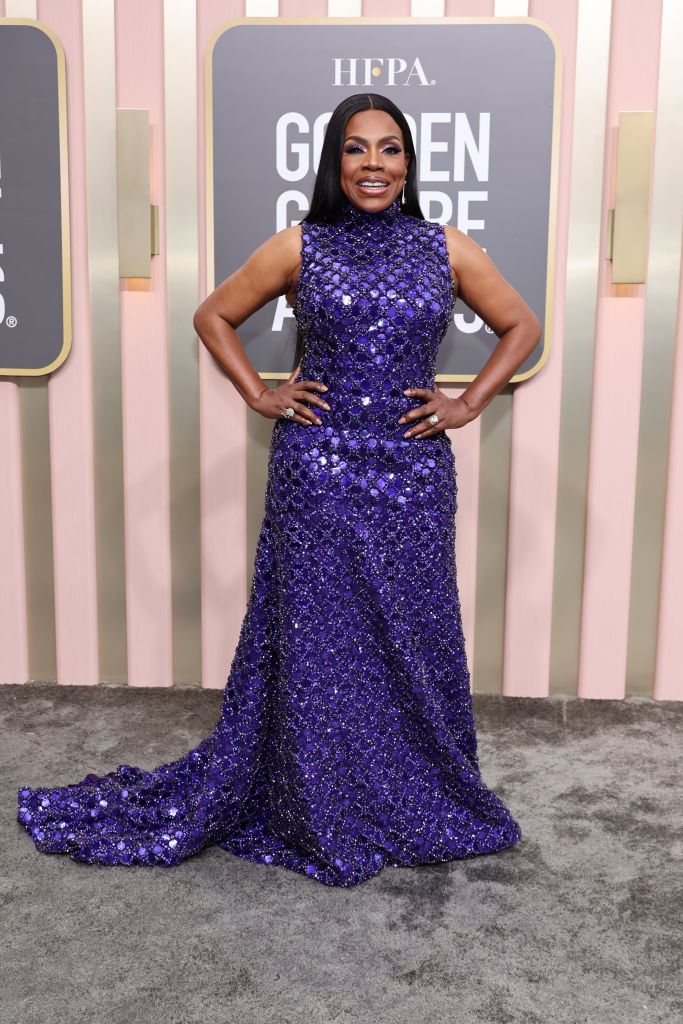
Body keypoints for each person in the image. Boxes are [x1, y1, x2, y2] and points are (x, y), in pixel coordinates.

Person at [17, 93, 541, 887]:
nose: (374, 165)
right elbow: (213, 314)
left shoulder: (444, 246)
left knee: (407, 628)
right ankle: (316, 796)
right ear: (334, 162)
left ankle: (408, 787)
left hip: (411, 472)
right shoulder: (301, 244)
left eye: (390, 149)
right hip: (317, 471)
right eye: (356, 149)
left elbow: (522, 326)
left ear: (409, 163)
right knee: (319, 639)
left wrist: (466, 403)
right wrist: (258, 394)